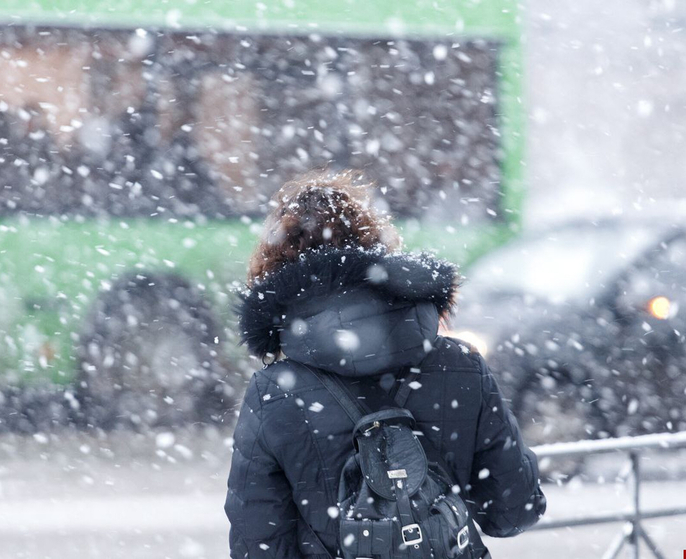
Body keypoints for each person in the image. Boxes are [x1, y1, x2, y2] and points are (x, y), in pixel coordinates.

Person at [225, 171, 546, 558]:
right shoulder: (459, 366)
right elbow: (514, 512)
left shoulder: (274, 393)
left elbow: (258, 547)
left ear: (275, 270)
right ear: (376, 248)